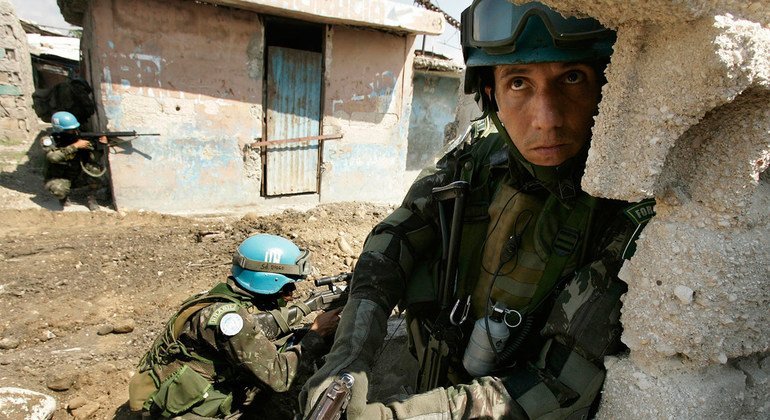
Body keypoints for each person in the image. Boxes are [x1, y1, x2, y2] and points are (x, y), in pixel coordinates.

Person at [301, 1, 655, 418]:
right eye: (520, 83)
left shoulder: (627, 211)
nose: (547, 119)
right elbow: (390, 245)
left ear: (604, 89)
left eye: (572, 78)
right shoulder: (476, 162)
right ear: (492, 94)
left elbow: (559, 385)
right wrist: (348, 362)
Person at [128, 234, 341, 419]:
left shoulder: (220, 298)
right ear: (270, 281)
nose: (291, 293)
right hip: (183, 411)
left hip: (176, 390)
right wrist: (317, 333)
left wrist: (307, 306)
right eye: (287, 286)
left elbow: (260, 324)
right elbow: (279, 378)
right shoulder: (229, 319)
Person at [40, 111, 107, 210]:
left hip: (77, 173)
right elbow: (53, 157)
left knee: (96, 172)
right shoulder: (49, 140)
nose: (74, 131)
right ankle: (64, 197)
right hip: (58, 176)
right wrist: (75, 146)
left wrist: (101, 145)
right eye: (70, 130)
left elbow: (94, 157)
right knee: (59, 190)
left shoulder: (78, 137)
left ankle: (90, 197)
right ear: (59, 130)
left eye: (75, 129)